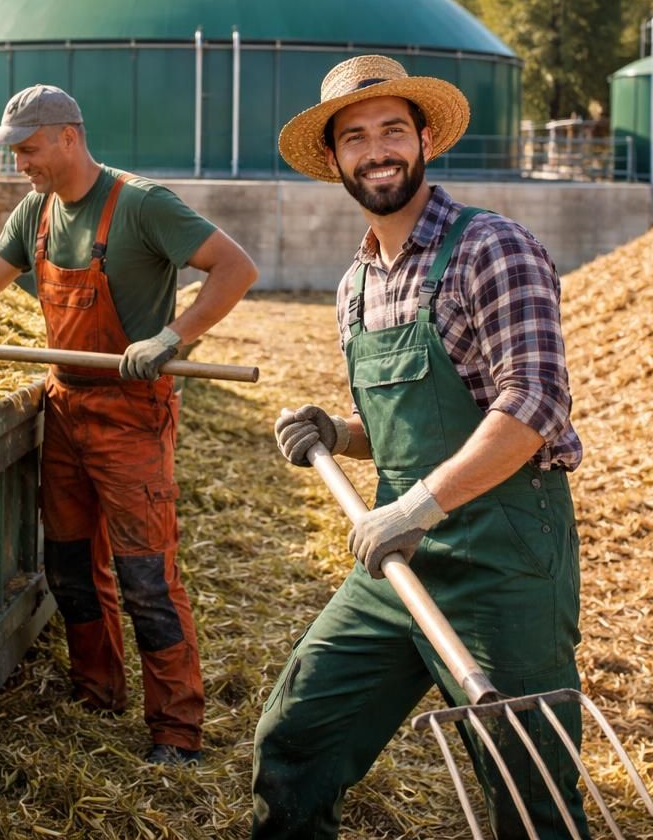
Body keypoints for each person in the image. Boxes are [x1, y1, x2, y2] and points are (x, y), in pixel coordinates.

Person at [250, 55, 588, 839]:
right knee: (296, 737)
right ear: (333, 160)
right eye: (356, 138)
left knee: (528, 787)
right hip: (398, 559)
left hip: (503, 560)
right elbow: (414, 427)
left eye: (393, 131)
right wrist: (340, 433)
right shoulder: (354, 286)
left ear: (426, 138)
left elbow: (533, 403)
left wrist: (418, 507)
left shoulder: (491, 248)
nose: (377, 151)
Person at [0, 84, 257, 766]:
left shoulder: (141, 204)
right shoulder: (35, 212)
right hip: (65, 405)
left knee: (147, 574)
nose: (20, 164)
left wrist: (172, 338)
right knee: (69, 567)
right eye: (14, 152)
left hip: (131, 414)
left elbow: (235, 268)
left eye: (28, 149)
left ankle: (177, 729)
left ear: (67, 136)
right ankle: (97, 693)